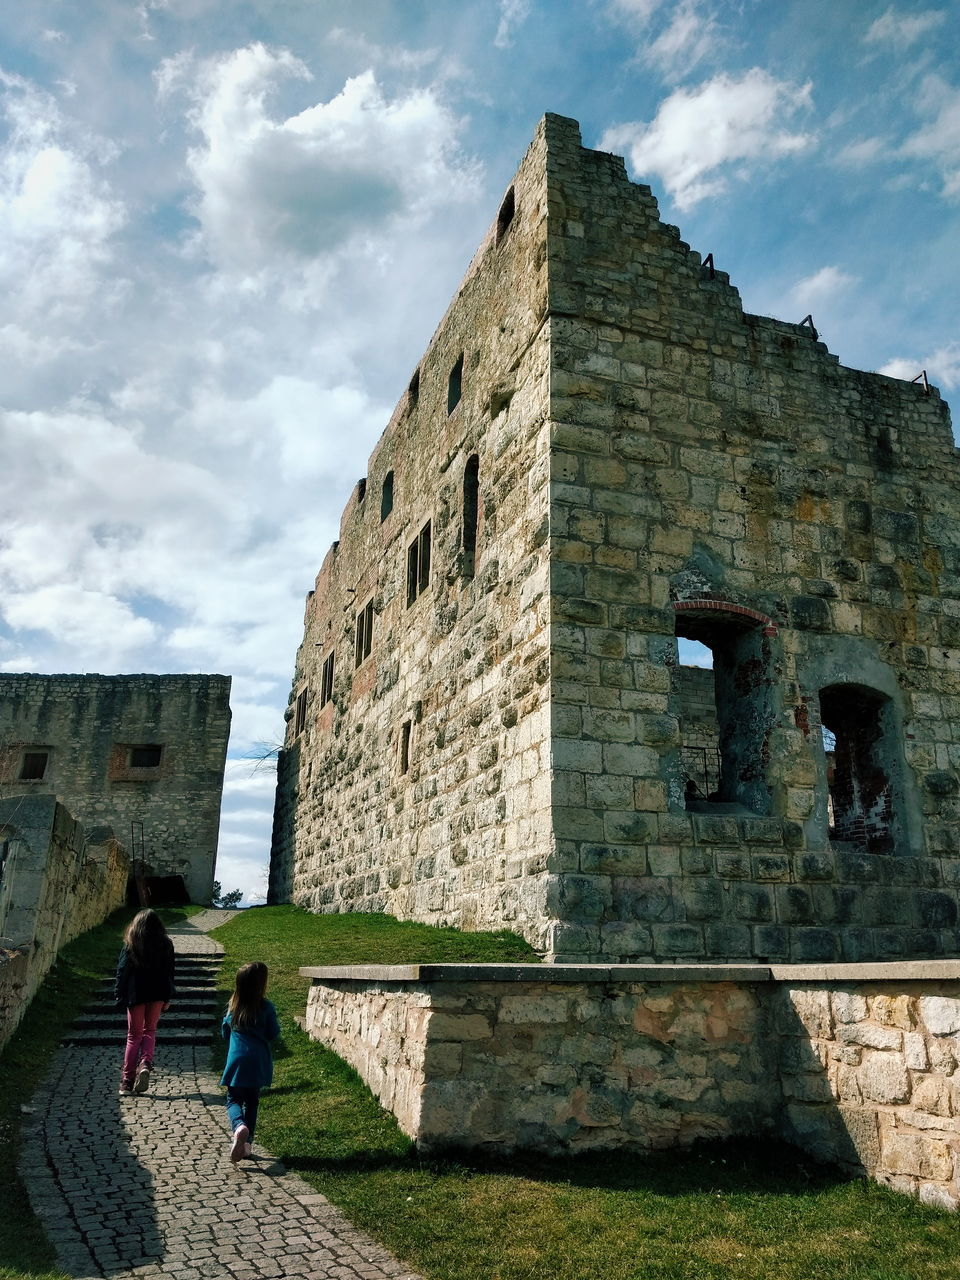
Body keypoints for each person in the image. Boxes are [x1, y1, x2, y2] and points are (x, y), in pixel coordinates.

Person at [221, 962, 280, 1162]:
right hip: (258, 1062)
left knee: (233, 1099)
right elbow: (273, 1033)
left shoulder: (233, 1008)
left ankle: (239, 1126)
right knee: (252, 1102)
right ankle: (247, 1145)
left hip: (236, 1061)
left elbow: (224, 1032)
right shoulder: (266, 1007)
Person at [114, 908, 176, 1096]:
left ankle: (126, 1081)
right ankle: (145, 1064)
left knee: (134, 1035)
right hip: (157, 993)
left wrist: (119, 992)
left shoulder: (132, 942)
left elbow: (122, 969)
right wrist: (167, 997)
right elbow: (169, 972)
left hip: (136, 993)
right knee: (150, 1031)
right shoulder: (166, 944)